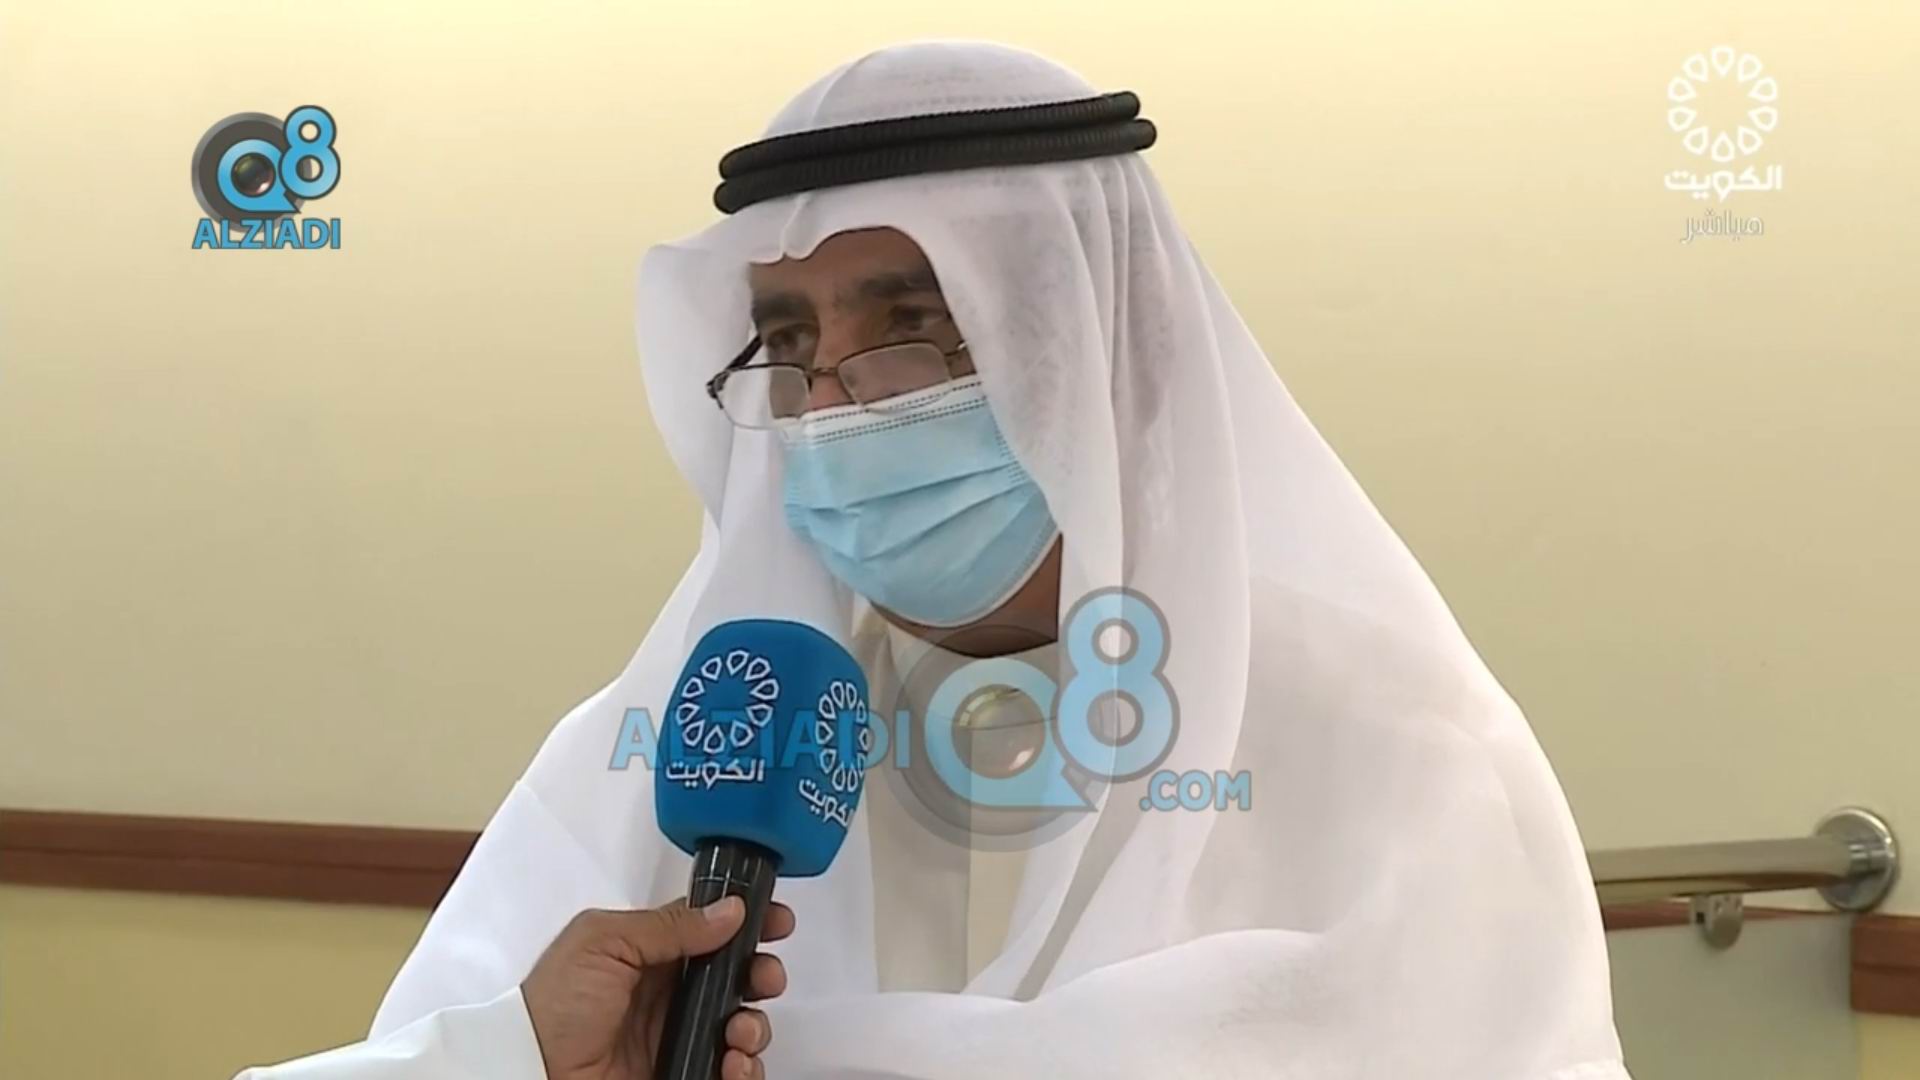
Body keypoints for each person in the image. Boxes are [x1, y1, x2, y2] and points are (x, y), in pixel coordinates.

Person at [239, 39, 1632, 1080]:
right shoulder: (678, 750)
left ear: (1101, 357)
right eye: (792, 342)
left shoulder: (1398, 756)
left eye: (912, 329)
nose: (834, 405)